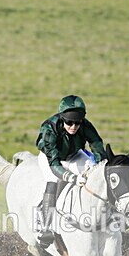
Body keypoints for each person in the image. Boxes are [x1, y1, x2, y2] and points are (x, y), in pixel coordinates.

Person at [34, 95, 106, 247]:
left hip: (74, 154)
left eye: (77, 122)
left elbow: (97, 144)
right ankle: (45, 227)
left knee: (93, 172)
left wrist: (102, 164)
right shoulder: (49, 128)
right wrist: (73, 178)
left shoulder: (86, 126)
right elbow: (54, 164)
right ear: (62, 118)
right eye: (69, 122)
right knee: (53, 181)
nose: (73, 126)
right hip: (51, 158)